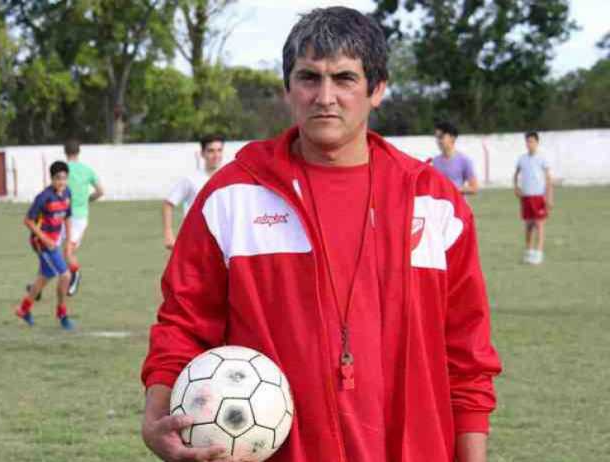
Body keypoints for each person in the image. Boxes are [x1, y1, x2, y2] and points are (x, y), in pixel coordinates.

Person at [141, 7, 501, 462]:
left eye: (344, 78)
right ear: (287, 88)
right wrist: (156, 415)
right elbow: (183, 322)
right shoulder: (233, 197)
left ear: (377, 89)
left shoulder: (434, 203)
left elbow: (467, 355)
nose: (325, 97)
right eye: (309, 77)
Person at [15, 161, 76, 330]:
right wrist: (45, 239)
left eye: (64, 178)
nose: (61, 182)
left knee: (45, 277)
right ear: (52, 179)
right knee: (65, 276)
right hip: (41, 242)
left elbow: (67, 216)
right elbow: (28, 220)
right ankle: (62, 314)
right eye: (58, 178)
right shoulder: (44, 197)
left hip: (54, 241)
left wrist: (68, 240)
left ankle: (23, 309)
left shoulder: (67, 193)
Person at [162, 135, 224, 250]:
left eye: (219, 150)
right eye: (211, 151)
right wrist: (168, 233)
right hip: (196, 239)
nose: (216, 155)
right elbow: (168, 203)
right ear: (202, 154)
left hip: (222, 241)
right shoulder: (191, 180)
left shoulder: (228, 178)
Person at [63, 139, 103, 295]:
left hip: (63, 217)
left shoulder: (62, 170)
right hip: (80, 217)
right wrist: (87, 200)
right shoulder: (87, 170)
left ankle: (75, 274)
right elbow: (100, 191)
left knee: (65, 252)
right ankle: (38, 286)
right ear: (78, 152)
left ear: (65, 152)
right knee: (61, 253)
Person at [514, 131, 553, 265]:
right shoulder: (522, 159)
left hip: (538, 196)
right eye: (527, 141)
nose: (529, 144)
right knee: (529, 225)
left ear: (537, 143)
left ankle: (539, 253)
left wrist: (549, 197)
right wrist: (516, 187)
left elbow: (548, 179)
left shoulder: (542, 159)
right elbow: (516, 174)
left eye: (532, 141)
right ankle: (529, 252)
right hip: (526, 196)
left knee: (539, 224)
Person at [432, 122, 479, 195]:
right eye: (437, 138)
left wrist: (452, 189)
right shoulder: (435, 161)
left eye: (441, 137)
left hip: (457, 202)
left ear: (452, 138)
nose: (438, 141)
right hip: (440, 202)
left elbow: (474, 188)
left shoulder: (464, 160)